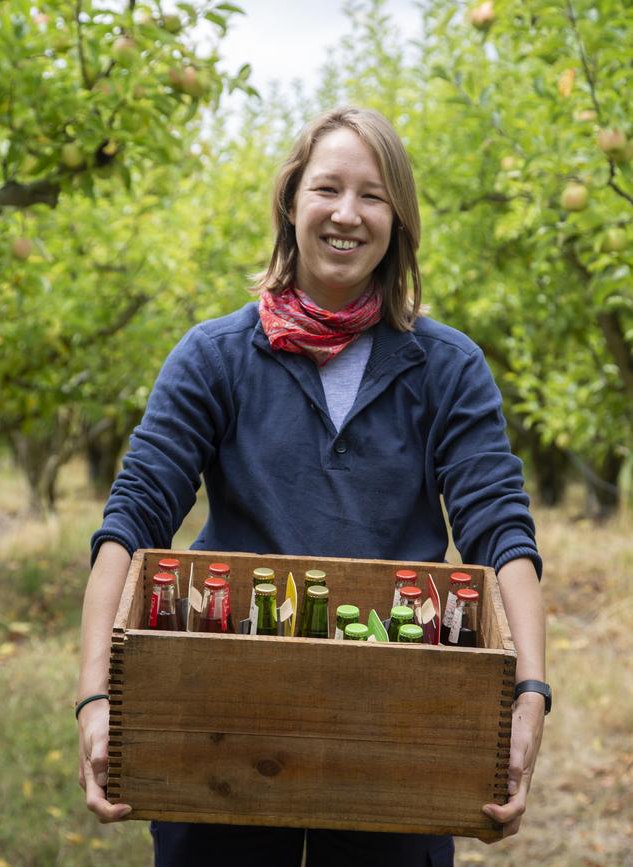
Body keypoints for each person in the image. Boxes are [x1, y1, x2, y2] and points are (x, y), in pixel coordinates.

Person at [77, 106, 548, 867]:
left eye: (373, 194)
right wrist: (97, 696)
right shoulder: (214, 358)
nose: (347, 213)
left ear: (399, 219)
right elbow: (131, 522)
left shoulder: (447, 368)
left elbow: (501, 533)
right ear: (291, 202)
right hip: (221, 721)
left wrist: (528, 693)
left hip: (398, 726)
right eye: (327, 187)